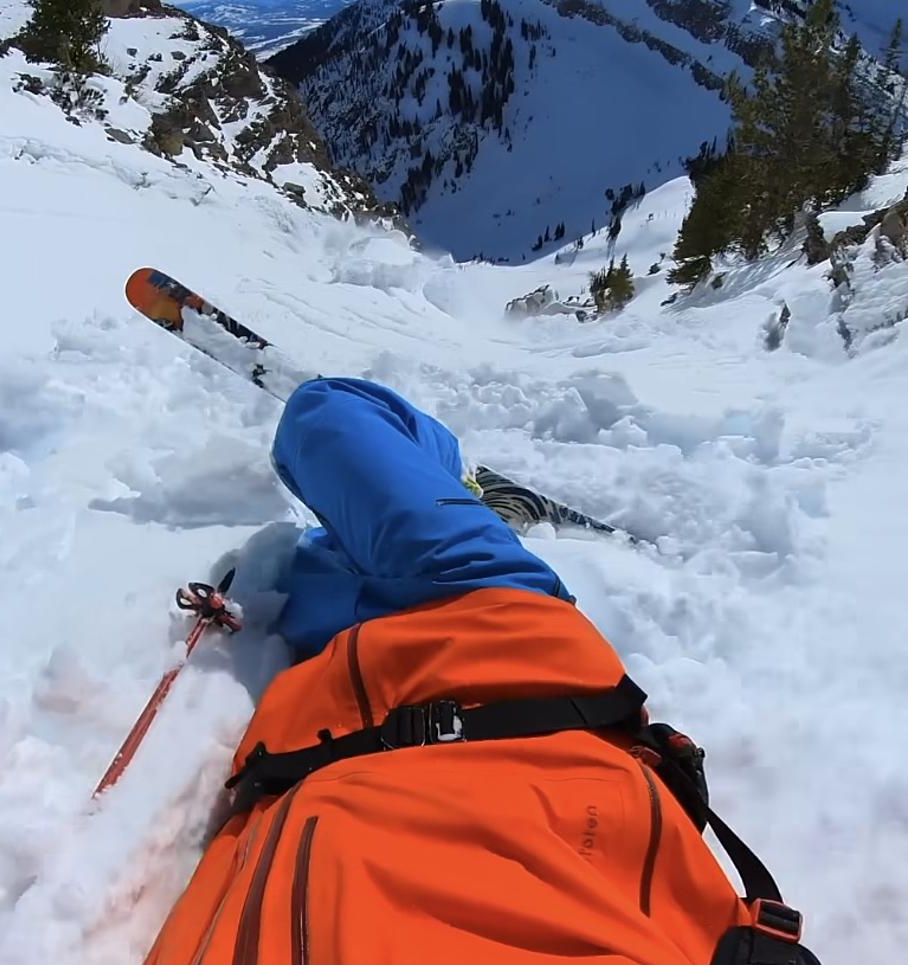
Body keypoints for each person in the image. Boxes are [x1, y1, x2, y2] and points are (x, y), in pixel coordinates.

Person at [145, 378, 819, 965]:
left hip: (334, 710)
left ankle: (451, 507)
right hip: (491, 626)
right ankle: (455, 487)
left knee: (308, 561)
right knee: (328, 416)